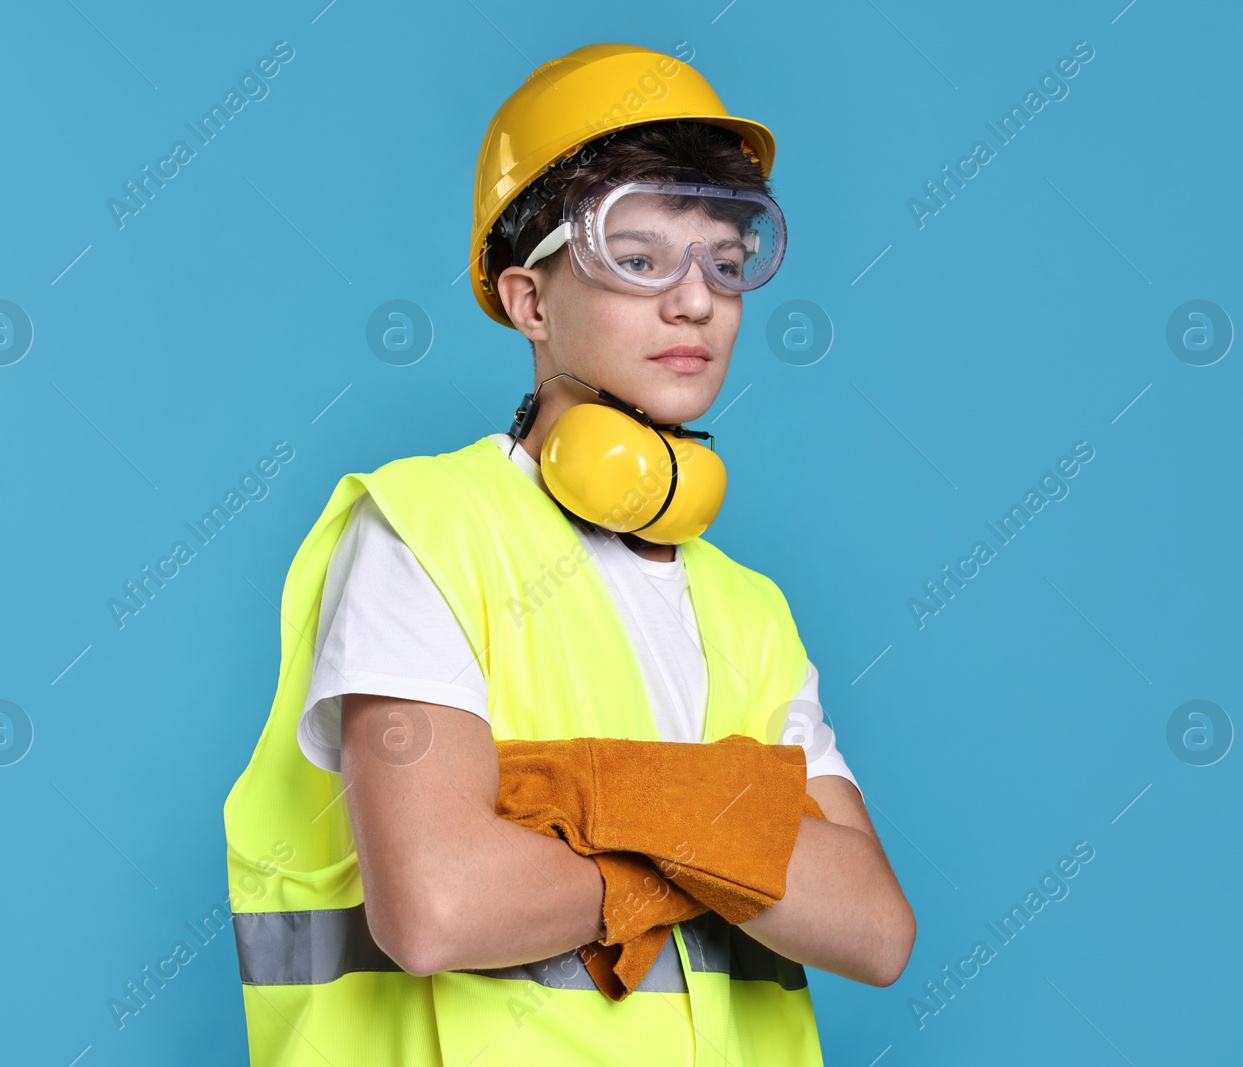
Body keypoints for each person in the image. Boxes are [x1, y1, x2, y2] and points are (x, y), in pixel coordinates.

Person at [223, 42, 915, 1066]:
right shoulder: (424, 530)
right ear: (529, 301)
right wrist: (730, 830)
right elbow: (440, 906)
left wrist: (606, 797)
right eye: (636, 257)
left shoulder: (748, 609)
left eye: (725, 262)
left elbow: (873, 926)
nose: (696, 301)